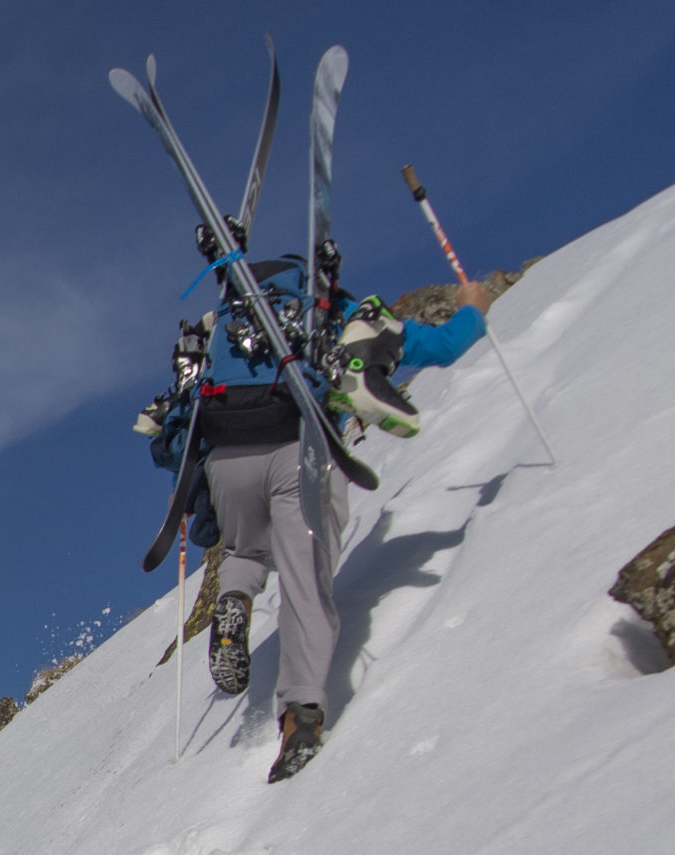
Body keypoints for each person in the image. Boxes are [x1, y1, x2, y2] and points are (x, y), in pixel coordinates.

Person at [152, 269, 491, 781]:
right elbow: (443, 345)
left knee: (246, 551)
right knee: (306, 584)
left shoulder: (222, 333)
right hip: (301, 445)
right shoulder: (334, 317)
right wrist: (473, 306)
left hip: (226, 459)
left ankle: (233, 602)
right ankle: (300, 720)